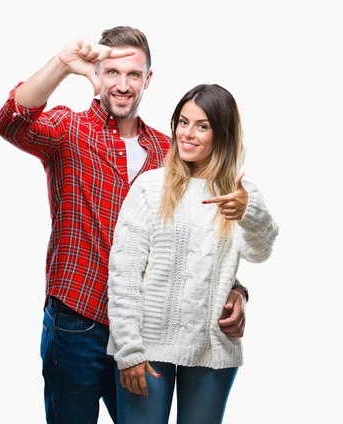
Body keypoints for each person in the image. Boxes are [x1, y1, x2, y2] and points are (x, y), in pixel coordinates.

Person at [0, 26, 249, 424]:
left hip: (147, 333)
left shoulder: (170, 152)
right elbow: (11, 121)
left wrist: (235, 290)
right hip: (78, 321)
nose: (123, 84)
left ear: (148, 80)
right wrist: (63, 64)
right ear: (97, 74)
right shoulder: (69, 130)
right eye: (112, 72)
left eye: (133, 74)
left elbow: (204, 238)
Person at [107, 83, 279, 424]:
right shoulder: (149, 188)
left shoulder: (238, 194)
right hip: (147, 348)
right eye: (183, 122)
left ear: (222, 134)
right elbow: (124, 274)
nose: (187, 134)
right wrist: (128, 351)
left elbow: (260, 252)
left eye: (202, 126)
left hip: (212, 348)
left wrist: (249, 211)